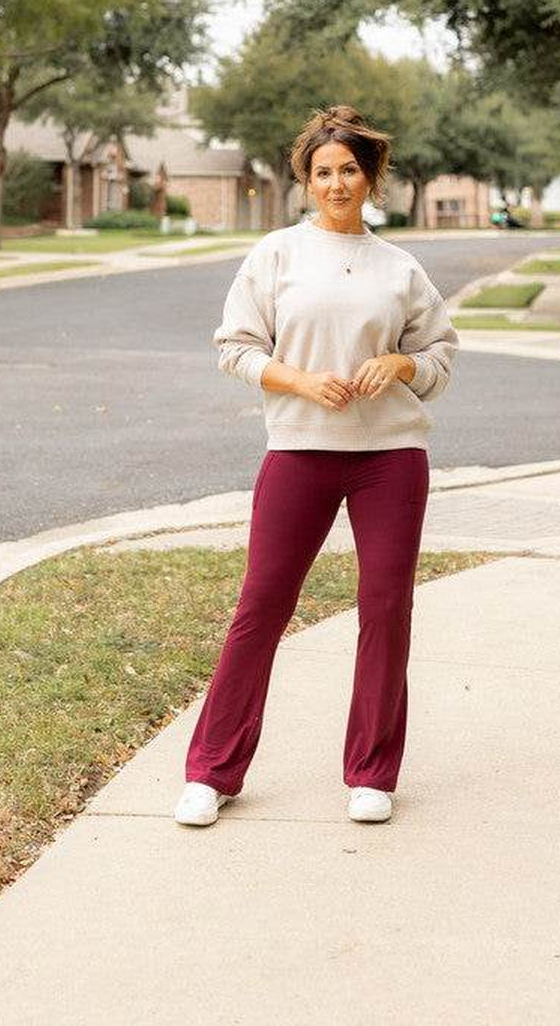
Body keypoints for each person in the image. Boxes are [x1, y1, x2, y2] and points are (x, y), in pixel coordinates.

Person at [174, 105, 459, 827]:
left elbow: (440, 356)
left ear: (371, 178)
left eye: (349, 171)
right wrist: (299, 381)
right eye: (323, 173)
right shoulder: (275, 255)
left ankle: (372, 772)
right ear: (306, 180)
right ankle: (212, 771)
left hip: (390, 457)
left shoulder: (401, 267)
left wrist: (401, 363)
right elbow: (234, 347)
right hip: (299, 450)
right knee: (261, 607)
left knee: (386, 610)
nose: (336, 184)